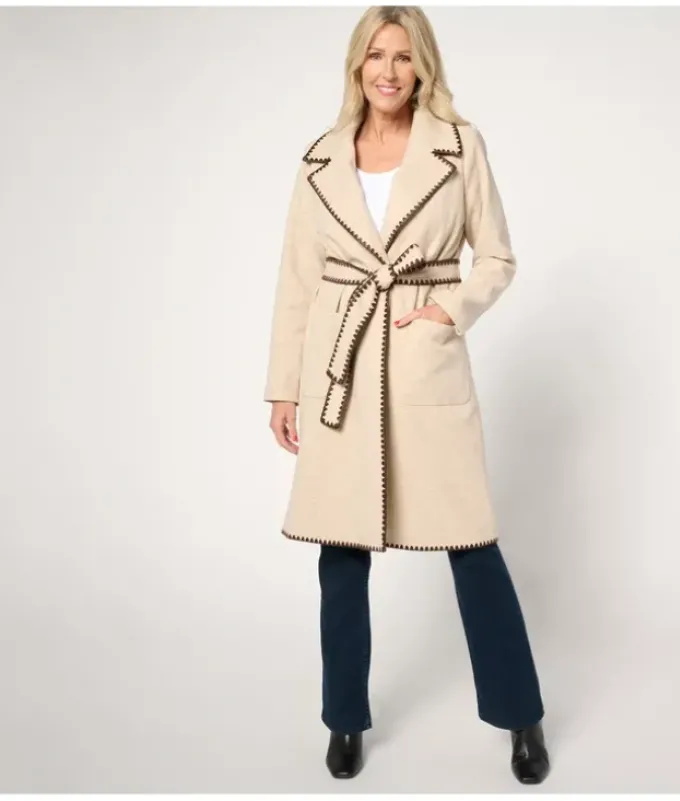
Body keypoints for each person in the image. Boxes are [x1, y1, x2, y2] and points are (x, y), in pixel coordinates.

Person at [263, 5, 550, 785]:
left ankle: (521, 713)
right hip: (342, 365)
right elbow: (297, 280)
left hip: (424, 361)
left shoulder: (459, 146)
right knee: (340, 551)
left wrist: (447, 312)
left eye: (402, 56)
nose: (388, 71)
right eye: (375, 56)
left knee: (472, 543)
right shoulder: (320, 159)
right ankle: (344, 719)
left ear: (423, 66)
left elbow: (497, 257)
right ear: (356, 66)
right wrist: (283, 387)